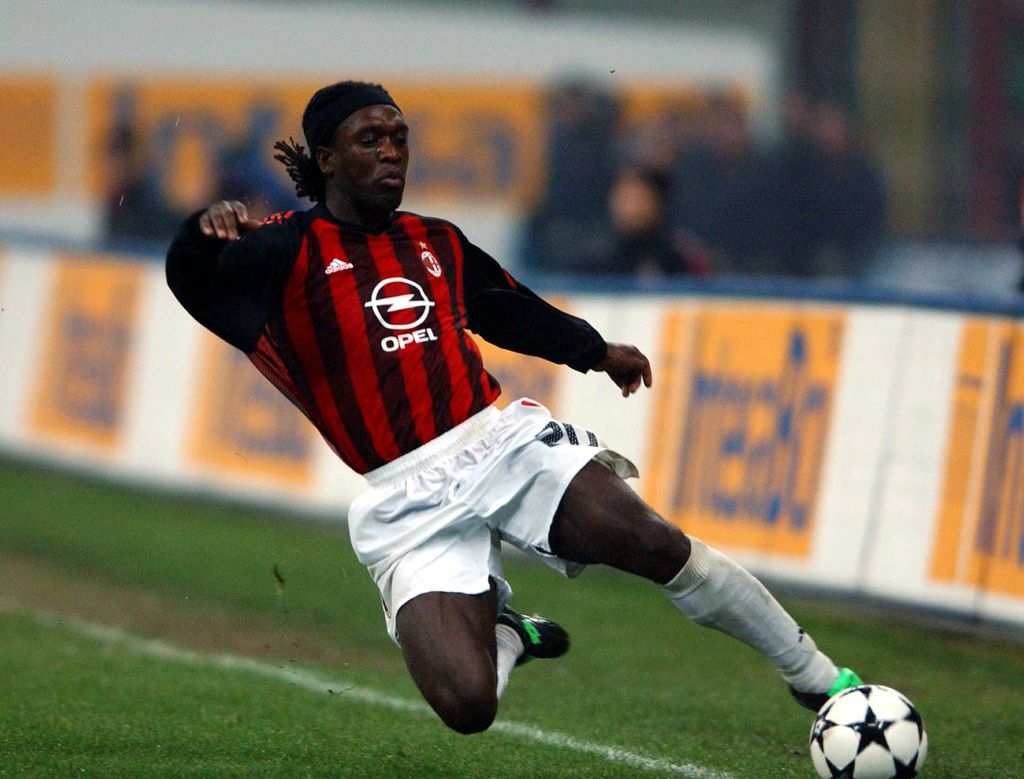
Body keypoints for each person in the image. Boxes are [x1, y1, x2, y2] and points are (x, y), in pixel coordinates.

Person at [166, 80, 861, 735]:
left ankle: (819, 678)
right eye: (369, 139)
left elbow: (505, 308)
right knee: (468, 707)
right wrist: (200, 232)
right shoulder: (280, 251)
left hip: (496, 444)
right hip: (403, 499)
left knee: (654, 542)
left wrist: (595, 350)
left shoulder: (435, 240)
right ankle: (507, 633)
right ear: (326, 159)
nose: (391, 152)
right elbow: (192, 281)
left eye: (399, 137)